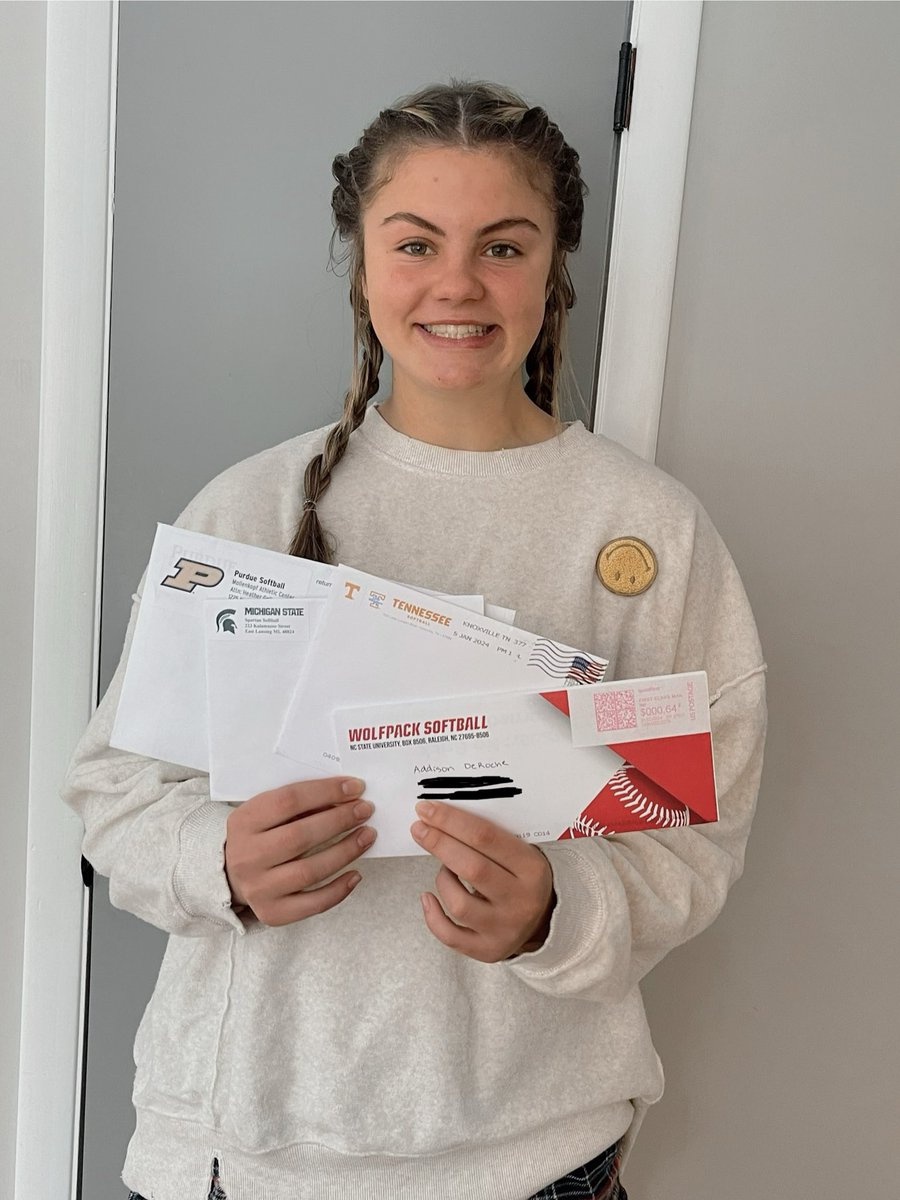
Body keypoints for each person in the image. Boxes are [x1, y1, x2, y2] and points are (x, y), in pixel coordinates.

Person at [63, 81, 767, 1200]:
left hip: (532, 1155)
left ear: (554, 267)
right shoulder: (247, 510)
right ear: (362, 263)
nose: (457, 283)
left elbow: (688, 844)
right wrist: (218, 860)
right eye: (416, 242)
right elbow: (113, 792)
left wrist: (554, 910)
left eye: (502, 244)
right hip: (238, 1153)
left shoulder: (649, 534)